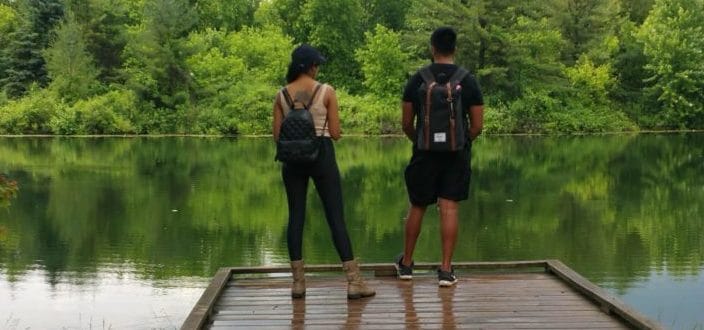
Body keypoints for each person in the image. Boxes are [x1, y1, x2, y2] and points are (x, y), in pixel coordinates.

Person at [272, 44, 375, 300]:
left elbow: (277, 136)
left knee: (296, 217)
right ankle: (353, 282)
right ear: (310, 66)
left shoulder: (281, 95)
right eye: (317, 65)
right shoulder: (326, 91)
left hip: (292, 159)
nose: (318, 69)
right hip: (322, 154)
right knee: (335, 217)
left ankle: (298, 283)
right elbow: (337, 134)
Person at [395, 27, 484, 287]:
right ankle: (445, 271)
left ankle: (407, 265)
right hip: (456, 154)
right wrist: (461, 143)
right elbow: (477, 125)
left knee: (418, 206)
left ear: (432, 48)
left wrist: (421, 142)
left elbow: (406, 123)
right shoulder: (467, 80)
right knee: (449, 208)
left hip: (424, 153)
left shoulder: (417, 79)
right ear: (454, 49)